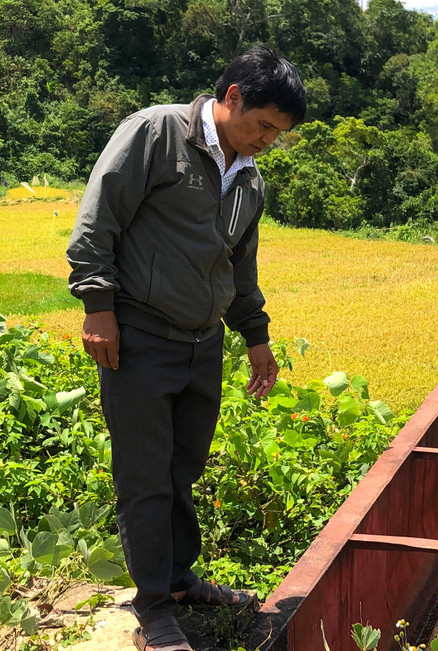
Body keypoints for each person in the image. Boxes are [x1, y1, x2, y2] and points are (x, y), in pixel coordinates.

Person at [67, 45, 306, 651]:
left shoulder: (248, 179)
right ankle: (152, 608)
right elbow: (98, 220)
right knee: (145, 476)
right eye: (263, 126)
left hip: (203, 344)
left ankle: (177, 580)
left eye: (278, 134)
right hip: (141, 337)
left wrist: (256, 336)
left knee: (182, 470)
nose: (267, 142)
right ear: (232, 98)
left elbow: (239, 268)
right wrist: (98, 307)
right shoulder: (155, 133)